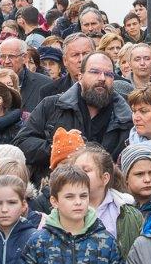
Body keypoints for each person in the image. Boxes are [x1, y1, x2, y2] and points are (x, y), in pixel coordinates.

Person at [15, 51, 134, 183]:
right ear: (80, 76)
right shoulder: (52, 106)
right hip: (55, 189)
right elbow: (21, 143)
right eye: (94, 72)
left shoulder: (127, 118)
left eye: (108, 74)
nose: (102, 78)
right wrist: (59, 148)